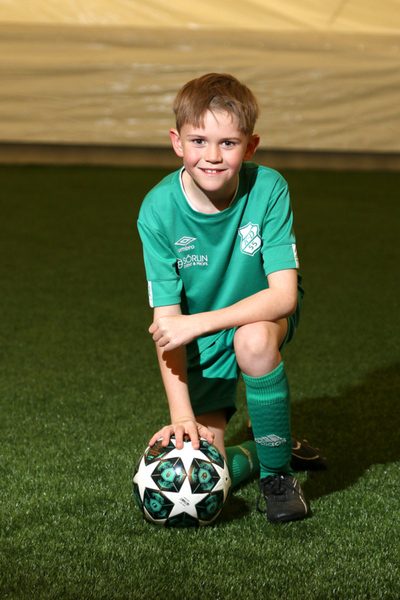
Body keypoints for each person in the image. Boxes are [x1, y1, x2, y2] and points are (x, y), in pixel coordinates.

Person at [137, 73, 325, 524]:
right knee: (206, 468)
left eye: (228, 143)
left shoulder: (269, 188)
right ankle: (267, 448)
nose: (213, 156)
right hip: (197, 339)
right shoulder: (157, 210)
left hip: (257, 314)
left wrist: (198, 323)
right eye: (198, 141)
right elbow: (168, 325)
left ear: (251, 146)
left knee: (253, 341)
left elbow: (283, 297)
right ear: (177, 142)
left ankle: (277, 478)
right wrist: (181, 416)